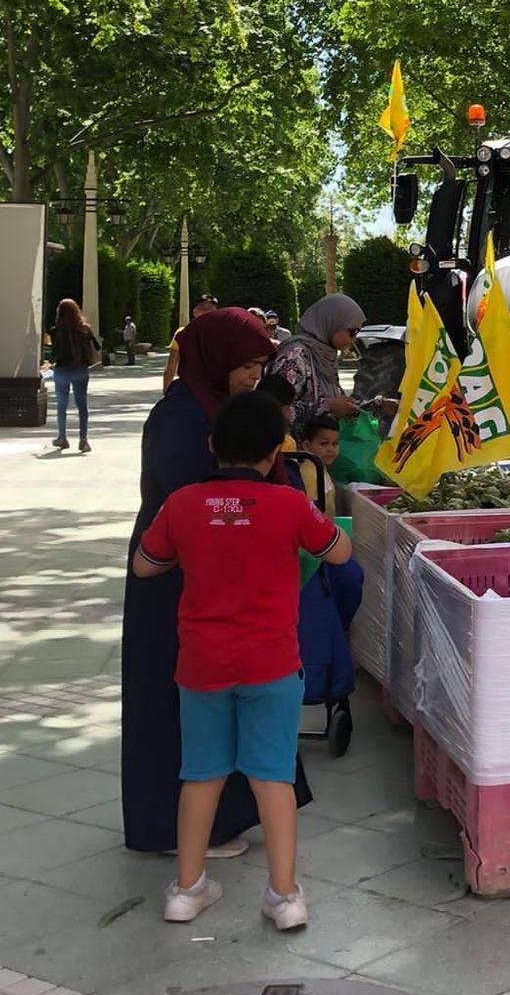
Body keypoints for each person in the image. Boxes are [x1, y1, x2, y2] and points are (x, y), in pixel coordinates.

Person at [134, 388, 352, 930]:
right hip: (272, 664)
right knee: (271, 776)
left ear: (212, 445)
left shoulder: (181, 503)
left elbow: (144, 565)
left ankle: (186, 891)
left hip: (202, 664)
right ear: (274, 454)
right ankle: (284, 897)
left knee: (201, 773)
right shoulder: (288, 503)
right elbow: (340, 552)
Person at [122, 307, 316, 856]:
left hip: (218, 579)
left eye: (261, 363)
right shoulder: (178, 417)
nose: (255, 373)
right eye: (249, 363)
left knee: (229, 699)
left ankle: (224, 821)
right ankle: (174, 829)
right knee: (177, 703)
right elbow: (199, 503)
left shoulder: (221, 410)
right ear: (219, 357)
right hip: (176, 579)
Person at [267, 294, 365, 430]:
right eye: (353, 332)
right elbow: (274, 410)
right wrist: (327, 406)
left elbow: (334, 401)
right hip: (292, 448)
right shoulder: (294, 356)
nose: (354, 339)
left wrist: (375, 405)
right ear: (332, 323)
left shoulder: (324, 355)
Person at [49, 298, 101, 454]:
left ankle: (62, 437)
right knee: (82, 406)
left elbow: (54, 353)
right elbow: (97, 346)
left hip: (62, 370)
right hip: (80, 370)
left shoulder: (55, 330)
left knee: (61, 406)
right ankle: (83, 440)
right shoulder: (85, 329)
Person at [163, 294, 219, 393]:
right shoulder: (182, 333)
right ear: (195, 312)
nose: (207, 313)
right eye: (203, 309)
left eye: (210, 310)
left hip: (215, 387)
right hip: (189, 388)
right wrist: (166, 391)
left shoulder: (224, 333)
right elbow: (171, 367)